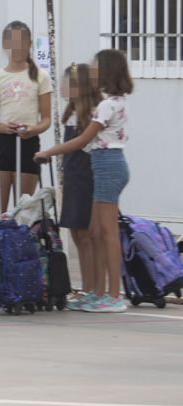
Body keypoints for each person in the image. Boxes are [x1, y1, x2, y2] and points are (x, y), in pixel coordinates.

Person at [35, 49, 132, 313]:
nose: (92, 71)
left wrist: (47, 152)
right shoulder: (112, 102)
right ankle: (100, 292)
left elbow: (81, 141)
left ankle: (112, 295)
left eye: (96, 67)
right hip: (105, 165)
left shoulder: (106, 105)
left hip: (107, 165)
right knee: (100, 233)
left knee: (107, 233)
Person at [0, 20, 52, 221]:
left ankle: (22, 249)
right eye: (12, 42)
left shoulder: (41, 76)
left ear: (29, 43)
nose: (17, 48)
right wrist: (5, 128)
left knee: (24, 210)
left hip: (28, 143)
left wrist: (32, 129)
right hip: (1, 143)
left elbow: (46, 119)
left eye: (21, 42)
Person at [54, 63, 100, 310]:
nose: (61, 88)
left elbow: (81, 145)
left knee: (87, 235)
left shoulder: (92, 114)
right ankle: (85, 287)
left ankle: (93, 288)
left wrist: (49, 152)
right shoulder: (71, 114)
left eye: (65, 83)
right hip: (73, 176)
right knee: (76, 233)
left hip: (86, 176)